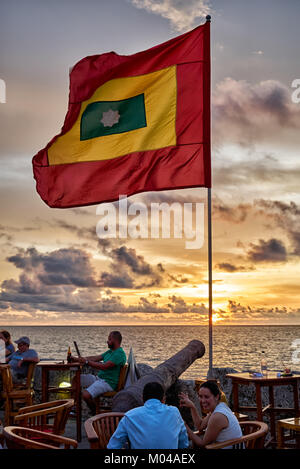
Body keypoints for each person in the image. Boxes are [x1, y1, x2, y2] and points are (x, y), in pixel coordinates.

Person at [107, 382, 189, 449]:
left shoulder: (130, 416)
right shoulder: (174, 412)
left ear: (142, 398)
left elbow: (113, 446)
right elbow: (183, 443)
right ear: (163, 399)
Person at [72, 331, 126, 414]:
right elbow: (95, 358)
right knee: (76, 379)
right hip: (99, 379)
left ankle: (95, 413)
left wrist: (86, 362)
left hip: (108, 383)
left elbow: (103, 366)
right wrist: (77, 359)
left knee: (86, 395)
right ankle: (75, 407)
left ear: (115, 341)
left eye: (109, 339)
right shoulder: (110, 352)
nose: (107, 341)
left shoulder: (119, 354)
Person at [179, 380, 242, 449]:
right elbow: (200, 426)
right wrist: (192, 407)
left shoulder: (217, 416)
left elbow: (202, 444)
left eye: (206, 397)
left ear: (216, 397)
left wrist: (184, 426)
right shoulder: (220, 406)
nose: (203, 400)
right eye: (200, 396)